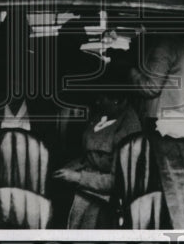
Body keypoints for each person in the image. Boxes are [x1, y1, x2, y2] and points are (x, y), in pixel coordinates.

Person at [53, 61, 143, 229]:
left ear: (116, 100)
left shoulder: (128, 131)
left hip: (103, 193)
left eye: (102, 98)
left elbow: (117, 182)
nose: (98, 102)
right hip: (83, 172)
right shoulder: (105, 114)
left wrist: (77, 177)